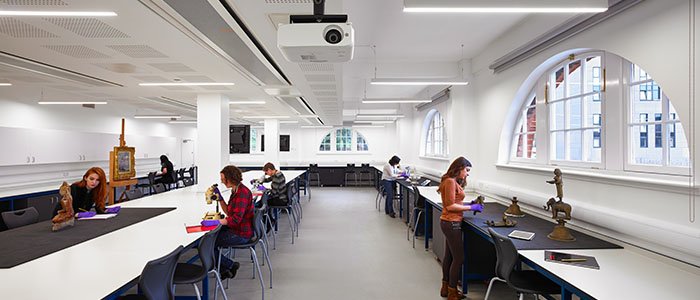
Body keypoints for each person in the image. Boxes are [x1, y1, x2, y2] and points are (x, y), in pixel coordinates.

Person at [437, 157, 483, 300]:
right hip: (452, 223)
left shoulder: (450, 181)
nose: (467, 174)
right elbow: (450, 206)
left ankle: (445, 288)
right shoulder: (450, 182)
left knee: (449, 256)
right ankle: (452, 292)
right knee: (459, 258)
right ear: (459, 168)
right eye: (466, 170)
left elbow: (454, 201)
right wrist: (471, 207)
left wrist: (469, 203)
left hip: (448, 222)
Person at [201, 165, 254, 280]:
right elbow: (229, 213)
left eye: (223, 179)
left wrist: (216, 222)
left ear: (230, 178)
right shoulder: (235, 190)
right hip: (236, 228)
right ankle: (225, 269)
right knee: (209, 237)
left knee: (207, 244)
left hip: (241, 233)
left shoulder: (242, 193)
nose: (222, 182)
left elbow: (235, 220)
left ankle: (229, 265)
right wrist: (220, 199)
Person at [52, 167, 117, 218]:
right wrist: (77, 214)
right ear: (85, 178)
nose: (94, 182)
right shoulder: (75, 188)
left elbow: (98, 208)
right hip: (62, 218)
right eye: (91, 179)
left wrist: (106, 210)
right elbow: (65, 210)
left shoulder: (96, 190)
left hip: (81, 220)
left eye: (97, 180)